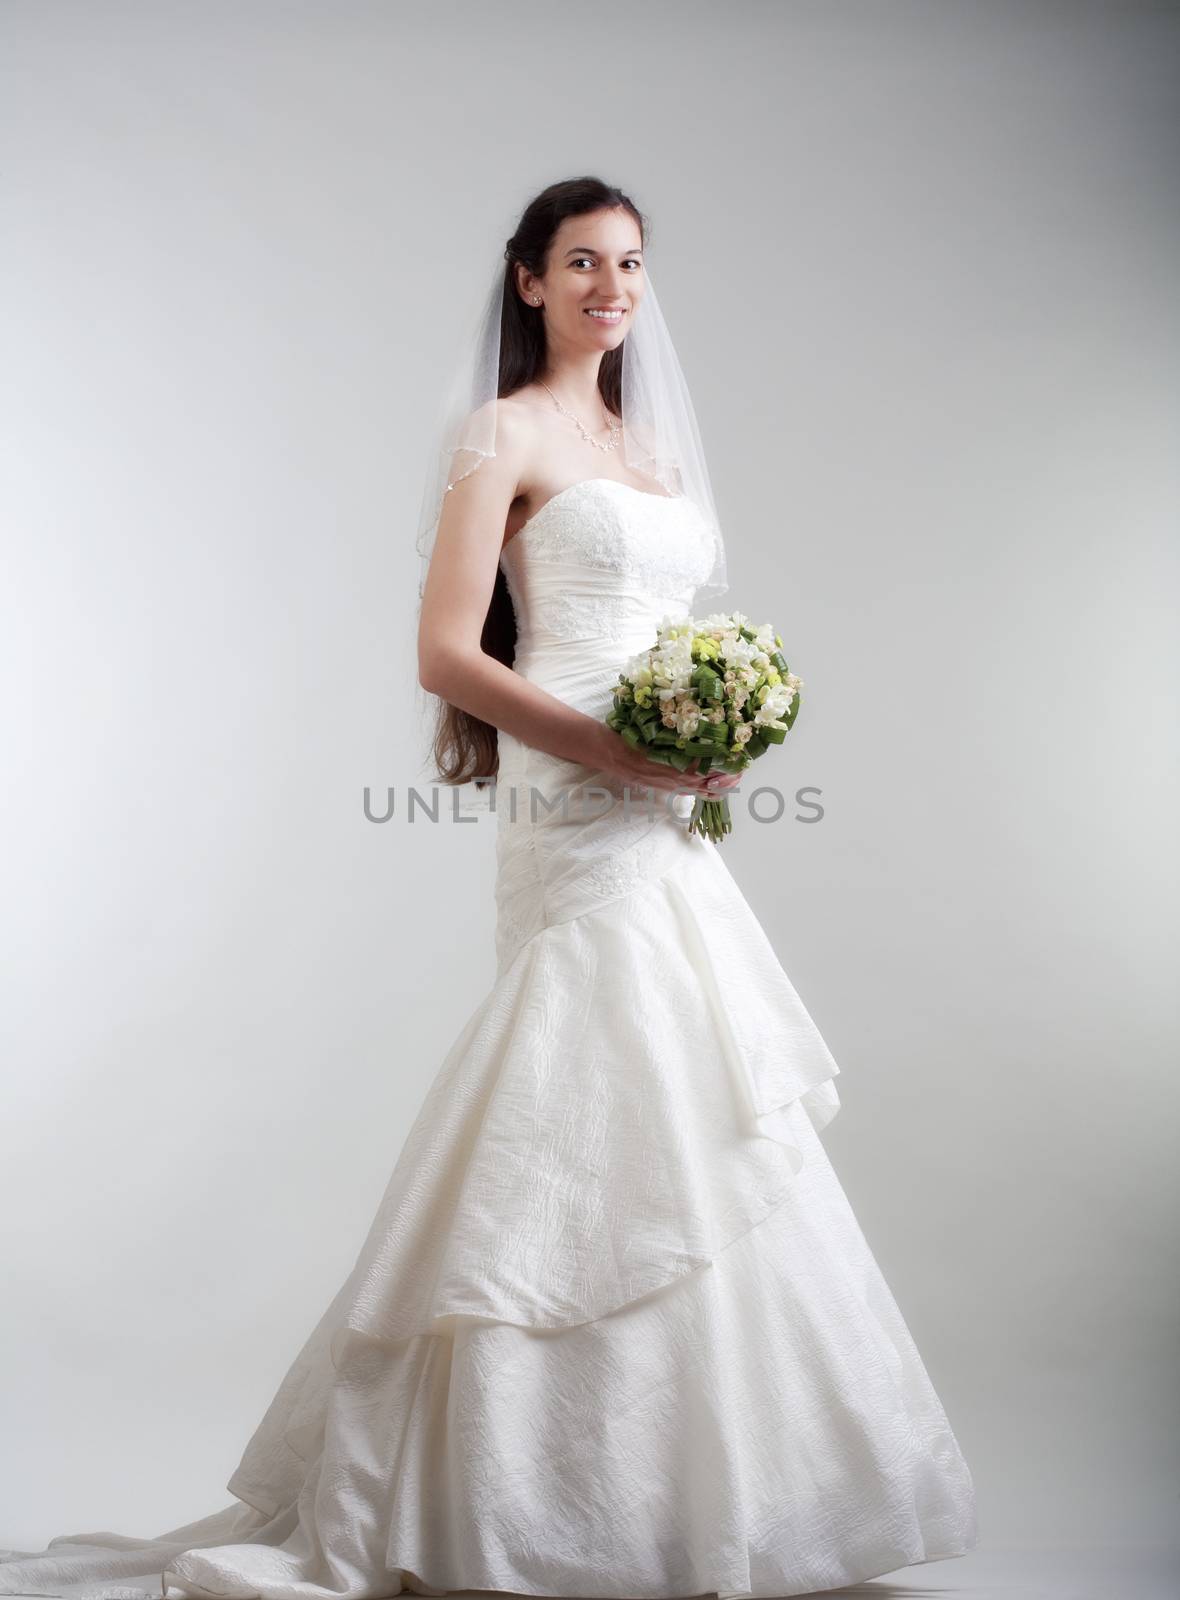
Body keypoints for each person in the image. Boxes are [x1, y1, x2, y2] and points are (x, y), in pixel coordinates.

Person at [0, 176, 978, 1600]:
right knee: (587, 1071)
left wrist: (710, 733)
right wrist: (615, 751)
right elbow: (447, 655)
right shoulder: (501, 433)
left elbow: (670, 632)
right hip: (569, 790)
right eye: (582, 262)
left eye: (630, 264)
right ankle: (503, 1498)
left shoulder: (647, 449)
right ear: (528, 281)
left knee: (684, 1095)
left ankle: (696, 1495)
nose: (611, 287)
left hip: (652, 797)